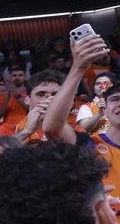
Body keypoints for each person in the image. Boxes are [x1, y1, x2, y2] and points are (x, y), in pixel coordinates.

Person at [44, 31, 120, 202]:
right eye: (115, 99)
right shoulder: (90, 145)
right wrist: (78, 68)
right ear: (105, 110)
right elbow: (52, 129)